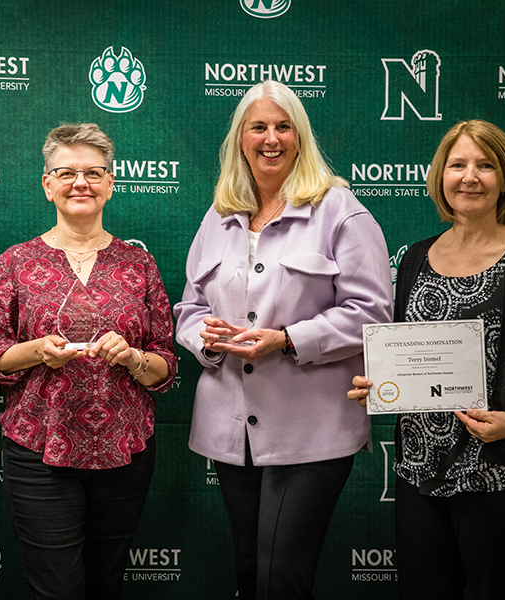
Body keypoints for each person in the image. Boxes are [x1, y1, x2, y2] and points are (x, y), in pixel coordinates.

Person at [348, 119, 505, 600]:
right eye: (457, 164)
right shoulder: (416, 259)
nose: (470, 176)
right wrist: (378, 383)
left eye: (485, 165)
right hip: (420, 473)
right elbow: (409, 353)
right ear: (440, 177)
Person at [173, 80, 393, 599]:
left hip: (311, 429)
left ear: (300, 136)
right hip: (232, 431)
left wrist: (288, 339)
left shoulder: (340, 209)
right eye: (259, 127)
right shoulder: (219, 215)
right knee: (251, 575)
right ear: (240, 140)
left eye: (283, 126)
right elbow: (188, 308)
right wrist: (207, 337)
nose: (271, 139)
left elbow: (372, 313)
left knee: (281, 577)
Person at [0, 123, 176, 600]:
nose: (79, 183)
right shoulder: (15, 262)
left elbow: (166, 364)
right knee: (56, 589)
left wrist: (132, 357)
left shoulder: (138, 264)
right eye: (66, 172)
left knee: (106, 583)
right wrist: (37, 351)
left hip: (125, 449)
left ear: (110, 183)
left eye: (92, 173)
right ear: (47, 184)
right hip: (39, 447)